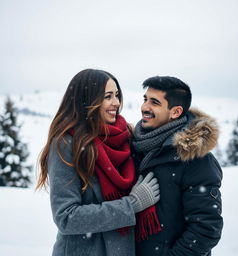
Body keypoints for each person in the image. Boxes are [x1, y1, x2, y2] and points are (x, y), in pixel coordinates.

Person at [36, 69, 160, 256]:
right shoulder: (67, 144)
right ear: (87, 100)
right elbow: (66, 217)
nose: (116, 103)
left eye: (117, 95)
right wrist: (131, 205)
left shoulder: (124, 136)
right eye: (107, 96)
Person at [132, 76, 223, 255]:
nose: (145, 107)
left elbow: (206, 228)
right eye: (145, 99)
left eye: (154, 102)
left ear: (175, 112)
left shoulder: (196, 159)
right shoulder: (137, 146)